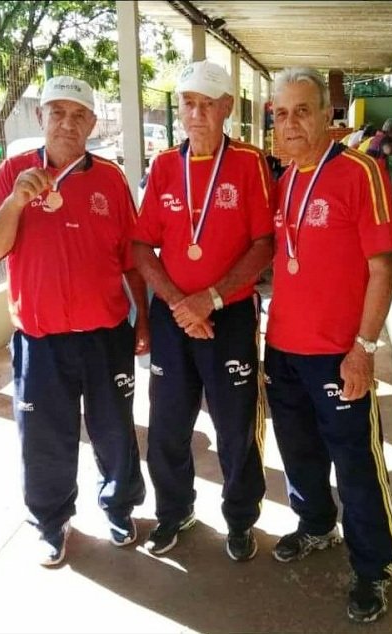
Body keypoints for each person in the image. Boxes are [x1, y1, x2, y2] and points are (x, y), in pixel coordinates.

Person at [0, 76, 148, 567]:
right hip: (40, 338)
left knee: (114, 431)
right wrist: (15, 202)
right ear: (40, 117)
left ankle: (119, 506)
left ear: (91, 123)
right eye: (57, 113)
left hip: (105, 335)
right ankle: (51, 522)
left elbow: (131, 259)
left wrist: (144, 321)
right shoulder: (13, 172)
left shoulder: (110, 179)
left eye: (78, 115)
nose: (67, 124)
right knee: (44, 438)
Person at [265, 67, 392, 623]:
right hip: (283, 348)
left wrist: (364, 347)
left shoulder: (361, 172)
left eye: (302, 110)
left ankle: (374, 566)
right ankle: (317, 524)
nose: (291, 123)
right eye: (281, 113)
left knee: (356, 462)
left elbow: (383, 267)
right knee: (298, 451)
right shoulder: (285, 180)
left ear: (327, 115)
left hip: (338, 353)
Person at [132, 59, 274, 562]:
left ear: (227, 108)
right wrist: (178, 303)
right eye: (188, 104)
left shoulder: (250, 163)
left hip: (229, 316)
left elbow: (264, 244)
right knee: (168, 424)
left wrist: (209, 299)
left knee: (235, 426)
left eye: (207, 105)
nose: (196, 115)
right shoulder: (164, 166)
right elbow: (141, 246)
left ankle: (240, 519)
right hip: (174, 316)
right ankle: (174, 512)